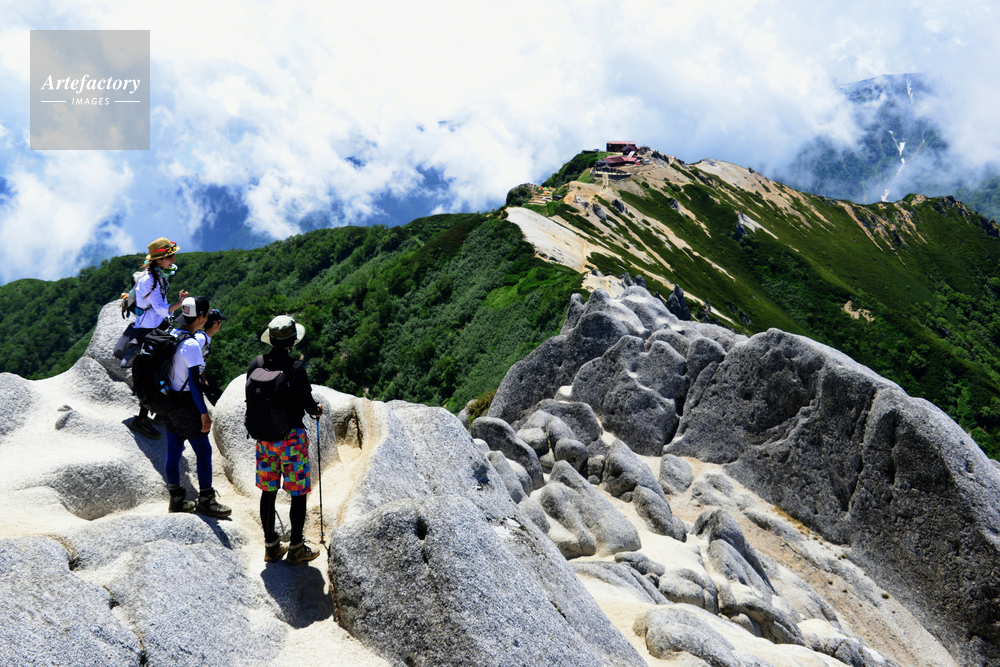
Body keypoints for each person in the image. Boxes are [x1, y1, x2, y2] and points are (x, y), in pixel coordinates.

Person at [250, 315, 323, 565]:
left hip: (264, 440)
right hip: (291, 440)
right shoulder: (295, 368)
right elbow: (309, 405)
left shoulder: (257, 364)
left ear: (270, 340)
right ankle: (296, 547)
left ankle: (271, 547)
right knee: (298, 493)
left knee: (268, 492)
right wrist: (317, 410)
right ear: (292, 342)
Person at [163, 296, 231, 518]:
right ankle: (206, 500)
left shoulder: (173, 333)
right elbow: (193, 383)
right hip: (185, 403)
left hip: (168, 400)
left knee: (173, 449)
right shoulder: (191, 344)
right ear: (201, 316)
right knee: (203, 450)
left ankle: (176, 499)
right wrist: (203, 412)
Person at [128, 238, 189, 440]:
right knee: (154, 374)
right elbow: (162, 309)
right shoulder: (150, 280)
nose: (173, 260)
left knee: (161, 370)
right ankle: (141, 419)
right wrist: (180, 303)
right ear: (159, 260)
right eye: (170, 257)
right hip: (149, 331)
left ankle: (158, 412)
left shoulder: (158, 275)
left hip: (155, 327)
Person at [194, 308, 227, 405]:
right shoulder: (201, 339)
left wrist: (203, 379)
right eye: (220, 322)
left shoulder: (205, 337)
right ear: (216, 323)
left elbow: (200, 361)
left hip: (197, 380)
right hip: (189, 383)